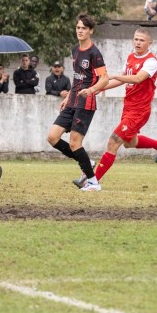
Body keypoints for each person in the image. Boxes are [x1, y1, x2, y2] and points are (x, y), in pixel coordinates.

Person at [76, 28, 157, 189]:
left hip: (139, 110)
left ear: (149, 43)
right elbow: (122, 79)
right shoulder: (131, 57)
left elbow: (137, 79)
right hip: (128, 107)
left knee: (113, 142)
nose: (138, 43)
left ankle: (93, 182)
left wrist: (113, 75)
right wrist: (98, 88)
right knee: (129, 143)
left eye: (141, 40)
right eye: (136, 39)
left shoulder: (151, 61)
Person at [46, 14, 109, 192]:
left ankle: (93, 182)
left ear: (90, 31)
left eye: (84, 28)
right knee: (52, 137)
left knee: (75, 143)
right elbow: (77, 78)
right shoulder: (75, 50)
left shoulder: (95, 53)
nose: (80, 31)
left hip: (86, 103)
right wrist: (67, 97)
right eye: (78, 28)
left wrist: (91, 90)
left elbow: (104, 79)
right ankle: (86, 162)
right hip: (72, 101)